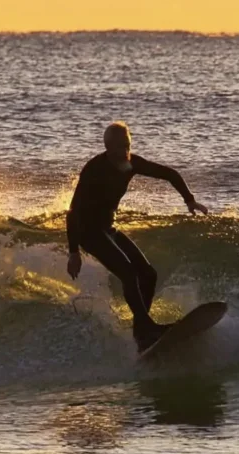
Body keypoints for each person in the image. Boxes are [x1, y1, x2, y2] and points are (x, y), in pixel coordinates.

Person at [66, 121, 208, 351]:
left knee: (148, 275)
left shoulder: (131, 163)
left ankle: (142, 330)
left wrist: (189, 199)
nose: (125, 151)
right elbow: (73, 213)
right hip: (88, 232)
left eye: (127, 145)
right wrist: (73, 252)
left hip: (108, 229)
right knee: (129, 273)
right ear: (107, 148)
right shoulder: (94, 169)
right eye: (119, 147)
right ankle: (145, 329)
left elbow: (169, 174)